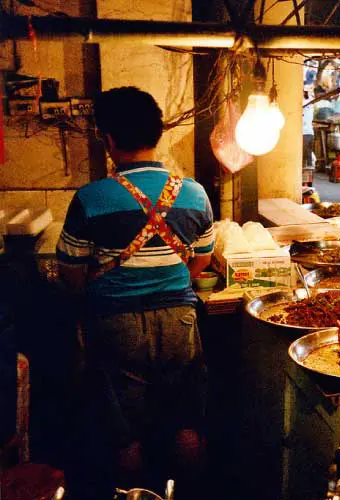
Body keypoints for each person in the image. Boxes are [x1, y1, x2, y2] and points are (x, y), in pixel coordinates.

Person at [56, 87, 214, 498]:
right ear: (158, 134)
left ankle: (133, 493)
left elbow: (71, 275)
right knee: (187, 422)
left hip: (116, 324)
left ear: (107, 140)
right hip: (180, 320)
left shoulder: (90, 199)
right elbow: (202, 260)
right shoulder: (194, 193)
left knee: (125, 430)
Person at [302, 86, 314, 168]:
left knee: (304, 157)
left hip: (304, 133)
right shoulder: (310, 103)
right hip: (310, 133)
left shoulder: (302, 104)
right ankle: (309, 176)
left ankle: (306, 176)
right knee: (308, 155)